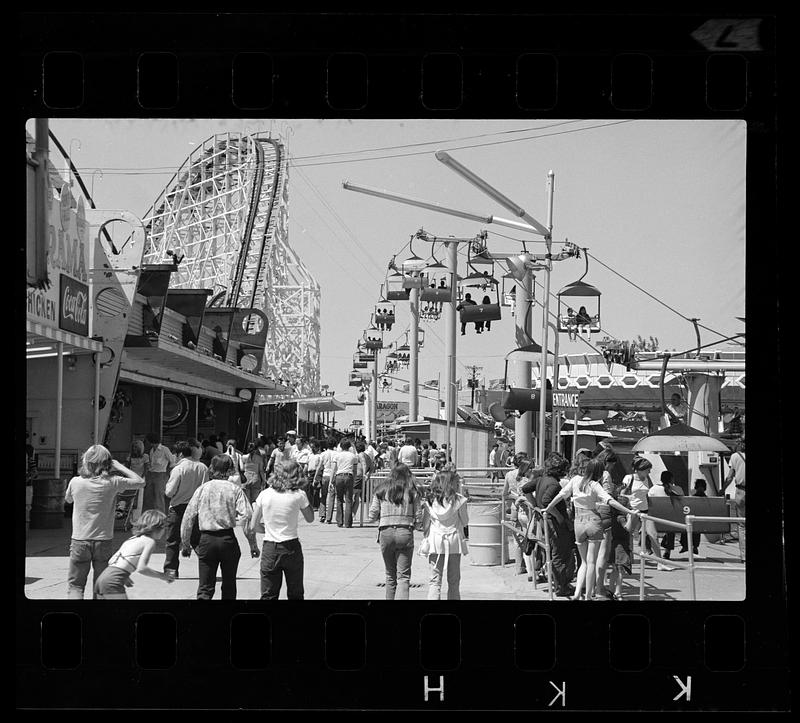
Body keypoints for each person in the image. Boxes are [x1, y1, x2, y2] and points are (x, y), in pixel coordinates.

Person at [542, 459, 640, 601]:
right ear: (600, 473)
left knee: (584, 562)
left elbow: (562, 495)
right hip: (593, 521)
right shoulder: (595, 485)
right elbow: (610, 500)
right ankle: (588, 596)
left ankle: (576, 594)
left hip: (578, 523)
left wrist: (549, 508)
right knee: (592, 561)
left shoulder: (575, 480)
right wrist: (629, 512)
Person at [64, 445, 146, 599]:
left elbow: (68, 499)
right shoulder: (113, 482)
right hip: (103, 540)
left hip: (79, 540)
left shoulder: (75, 482)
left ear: (86, 462)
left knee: (75, 586)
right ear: (107, 463)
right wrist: (119, 466)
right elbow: (140, 482)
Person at [180, 454, 252, 600]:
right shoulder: (235, 490)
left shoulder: (202, 489)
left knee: (205, 588)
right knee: (229, 585)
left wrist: (186, 544)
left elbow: (188, 518)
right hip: (227, 540)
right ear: (230, 470)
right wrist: (253, 544)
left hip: (206, 540)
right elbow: (247, 517)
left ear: (212, 468)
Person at [249, 460, 315, 600]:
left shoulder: (265, 494)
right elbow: (310, 518)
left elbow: (253, 525)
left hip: (270, 547)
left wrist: (267, 529)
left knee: (268, 594)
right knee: (295, 593)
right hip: (291, 546)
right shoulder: (299, 494)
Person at [368, 463, 424, 600]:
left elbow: (372, 515)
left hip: (385, 531)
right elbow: (418, 515)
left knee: (390, 575)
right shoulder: (412, 491)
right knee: (404, 577)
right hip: (405, 531)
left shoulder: (381, 489)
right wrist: (417, 525)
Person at [94, 510, 174, 599]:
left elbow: (111, 561)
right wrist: (163, 576)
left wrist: (125, 577)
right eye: (164, 528)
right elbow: (142, 568)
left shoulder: (132, 539)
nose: (164, 532)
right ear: (157, 528)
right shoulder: (149, 541)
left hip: (102, 578)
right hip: (113, 582)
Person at [163, 440, 209, 580]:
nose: (173, 457)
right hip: (196, 508)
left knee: (173, 541)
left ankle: (171, 573)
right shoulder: (203, 467)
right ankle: (208, 569)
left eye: (175, 454)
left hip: (178, 508)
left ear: (181, 454)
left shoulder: (178, 469)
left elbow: (170, 492)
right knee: (197, 540)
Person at [421, 470, 469, 600]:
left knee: (435, 580)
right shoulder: (459, 500)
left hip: (435, 540)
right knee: (454, 580)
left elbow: (425, 524)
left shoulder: (430, 500)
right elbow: (465, 522)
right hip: (454, 540)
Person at [534, 452, 576, 598]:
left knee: (555, 553)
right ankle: (562, 587)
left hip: (546, 521)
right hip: (555, 524)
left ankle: (561, 584)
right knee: (559, 554)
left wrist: (535, 507)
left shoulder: (541, 479)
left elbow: (526, 489)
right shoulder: (553, 483)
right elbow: (546, 501)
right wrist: (559, 517)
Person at [620, 456, 672, 571]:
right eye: (647, 469)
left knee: (653, 535)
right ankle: (623, 561)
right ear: (639, 469)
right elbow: (621, 494)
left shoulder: (646, 479)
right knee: (627, 535)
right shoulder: (629, 478)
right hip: (633, 510)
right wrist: (629, 500)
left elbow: (647, 495)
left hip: (645, 511)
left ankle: (660, 563)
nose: (649, 471)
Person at [649, 470, 686, 560]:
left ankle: (648, 548)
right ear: (672, 479)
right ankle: (667, 550)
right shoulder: (678, 489)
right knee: (671, 524)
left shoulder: (654, 489)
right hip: (673, 521)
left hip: (656, 521)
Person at [142, 432, 175, 514]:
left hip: (160, 474)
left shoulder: (164, 449)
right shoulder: (151, 450)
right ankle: (149, 515)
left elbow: (172, 462)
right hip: (151, 474)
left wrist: (167, 474)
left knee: (159, 496)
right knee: (148, 496)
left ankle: (161, 516)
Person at [330, 439, 359, 528]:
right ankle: (348, 523)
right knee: (349, 500)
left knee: (339, 499)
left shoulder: (337, 456)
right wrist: (353, 479)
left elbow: (333, 469)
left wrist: (331, 481)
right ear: (349, 447)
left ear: (341, 446)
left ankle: (339, 521)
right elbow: (355, 470)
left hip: (339, 476)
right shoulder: (353, 456)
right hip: (349, 476)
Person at [725, 439, 745, 562]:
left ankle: (744, 556)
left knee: (742, 525)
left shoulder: (735, 457)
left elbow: (729, 477)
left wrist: (722, 490)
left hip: (741, 492)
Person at [314, 437, 338, 524]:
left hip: (325, 475)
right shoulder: (337, 454)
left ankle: (322, 514)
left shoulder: (323, 454)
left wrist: (315, 477)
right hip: (334, 476)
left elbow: (319, 466)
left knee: (323, 496)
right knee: (332, 496)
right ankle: (329, 518)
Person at [125, 439, 147, 524]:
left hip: (140, 479)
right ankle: (130, 518)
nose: (134, 449)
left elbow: (146, 468)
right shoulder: (130, 456)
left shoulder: (145, 456)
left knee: (139, 499)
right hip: (131, 479)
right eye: (133, 447)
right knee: (131, 498)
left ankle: (136, 519)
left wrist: (142, 477)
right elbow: (126, 468)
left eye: (136, 447)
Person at [353, 439, 373, 521]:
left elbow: (364, 464)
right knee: (357, 497)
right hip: (362, 477)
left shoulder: (360, 455)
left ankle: (352, 514)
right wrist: (368, 474)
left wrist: (364, 474)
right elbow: (372, 466)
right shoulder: (367, 455)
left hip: (358, 477)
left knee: (353, 496)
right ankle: (353, 515)